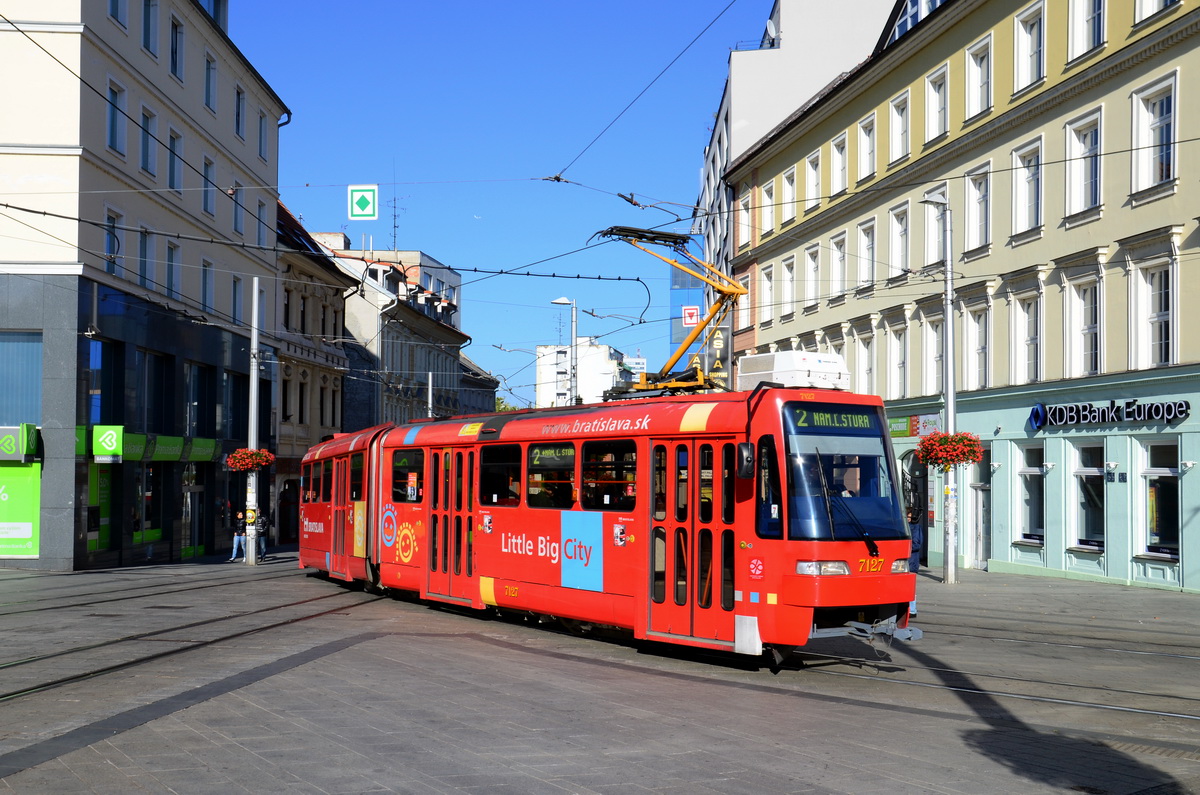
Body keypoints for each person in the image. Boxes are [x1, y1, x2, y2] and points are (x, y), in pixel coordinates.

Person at [907, 507, 923, 616]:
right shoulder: (906, 526)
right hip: (906, 562)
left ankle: (912, 609)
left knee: (910, 587)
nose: (907, 519)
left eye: (908, 517)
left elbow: (916, 544)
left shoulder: (915, 528)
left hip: (911, 562)